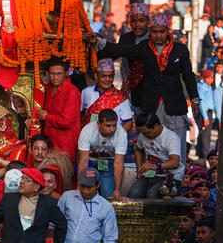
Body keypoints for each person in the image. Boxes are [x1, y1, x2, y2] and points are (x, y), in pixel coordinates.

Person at [92, 13, 200, 164]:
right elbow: (122, 50)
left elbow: (188, 75)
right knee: (153, 147)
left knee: (177, 146)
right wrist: (100, 42)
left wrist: (195, 99)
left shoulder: (180, 50)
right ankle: (153, 179)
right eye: (154, 31)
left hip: (174, 105)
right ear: (150, 31)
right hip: (151, 106)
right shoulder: (144, 48)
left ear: (167, 31)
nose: (158, 35)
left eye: (161, 31)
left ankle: (177, 183)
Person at [58, 168, 117, 243]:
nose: (85, 190)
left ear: (98, 185)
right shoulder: (67, 197)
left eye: (89, 187)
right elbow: (56, 224)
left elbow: (109, 239)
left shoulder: (106, 207)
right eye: (82, 186)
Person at [128, 112, 184, 198]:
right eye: (142, 132)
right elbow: (138, 150)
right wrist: (139, 171)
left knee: (152, 195)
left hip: (170, 177)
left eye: (147, 132)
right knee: (134, 194)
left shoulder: (171, 137)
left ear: (156, 126)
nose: (144, 135)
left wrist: (156, 166)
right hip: (149, 175)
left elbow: (175, 162)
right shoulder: (143, 135)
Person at [37, 57, 81, 163]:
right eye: (52, 74)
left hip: (65, 144)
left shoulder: (72, 92)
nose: (55, 77)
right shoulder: (47, 88)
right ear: (48, 73)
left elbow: (66, 122)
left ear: (66, 73)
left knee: (64, 175)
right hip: (49, 142)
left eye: (59, 74)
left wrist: (46, 117)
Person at [77, 109, 127, 200]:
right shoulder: (87, 131)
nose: (112, 129)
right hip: (89, 161)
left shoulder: (121, 134)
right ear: (99, 124)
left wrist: (117, 190)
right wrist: (79, 186)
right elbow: (84, 161)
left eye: (114, 125)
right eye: (108, 126)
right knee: (86, 191)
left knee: (108, 195)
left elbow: (119, 163)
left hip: (108, 162)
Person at [80, 59, 133, 132]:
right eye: (104, 76)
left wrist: (116, 137)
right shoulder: (86, 92)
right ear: (96, 76)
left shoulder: (121, 98)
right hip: (90, 139)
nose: (107, 79)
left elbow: (128, 123)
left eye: (110, 76)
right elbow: (79, 115)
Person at [196, 70, 215, 159]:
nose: (211, 79)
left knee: (206, 135)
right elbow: (201, 102)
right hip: (205, 113)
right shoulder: (201, 87)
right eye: (209, 77)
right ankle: (204, 156)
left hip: (209, 113)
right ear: (204, 78)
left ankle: (202, 156)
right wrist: (205, 117)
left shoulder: (208, 86)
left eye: (212, 77)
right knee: (205, 136)